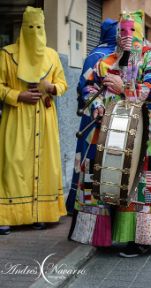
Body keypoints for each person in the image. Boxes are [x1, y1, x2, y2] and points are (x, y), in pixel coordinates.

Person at [68, 10, 151, 257]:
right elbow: (87, 85)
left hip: (148, 134)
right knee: (100, 174)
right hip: (109, 129)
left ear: (141, 32)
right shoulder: (107, 60)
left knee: (142, 184)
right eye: (122, 31)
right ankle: (101, 234)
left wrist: (124, 87)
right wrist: (96, 105)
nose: (126, 36)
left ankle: (140, 239)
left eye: (132, 30)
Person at [0, 7, 68, 235]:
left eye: (39, 27)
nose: (35, 32)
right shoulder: (7, 54)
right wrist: (18, 95)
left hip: (45, 120)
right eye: (30, 27)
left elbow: (62, 83)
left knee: (44, 164)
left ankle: (40, 214)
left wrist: (51, 87)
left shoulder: (52, 56)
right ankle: (7, 215)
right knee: (13, 164)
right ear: (22, 28)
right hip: (17, 118)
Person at [66, 18, 118, 214]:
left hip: (92, 118)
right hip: (117, 118)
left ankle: (79, 204)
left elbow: (83, 87)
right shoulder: (123, 55)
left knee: (88, 158)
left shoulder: (95, 55)